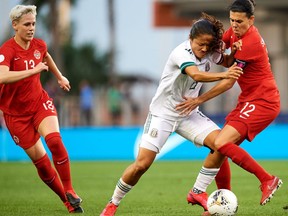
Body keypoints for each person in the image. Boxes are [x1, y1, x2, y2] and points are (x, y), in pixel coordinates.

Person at [99, 12, 243, 216]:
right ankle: (112, 204)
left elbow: (227, 61)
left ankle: (197, 191)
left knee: (221, 144)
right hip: (163, 115)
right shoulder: (181, 53)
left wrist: (234, 53)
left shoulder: (209, 49)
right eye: (200, 44)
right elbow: (196, 74)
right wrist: (224, 75)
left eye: (207, 46)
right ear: (190, 39)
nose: (203, 49)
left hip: (188, 112)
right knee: (142, 165)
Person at [176, 0, 283, 214]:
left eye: (240, 21)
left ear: (251, 20)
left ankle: (267, 179)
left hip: (263, 102)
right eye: (232, 20)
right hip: (248, 100)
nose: (234, 25)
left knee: (222, 142)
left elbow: (228, 81)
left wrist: (198, 100)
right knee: (218, 146)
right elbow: (221, 55)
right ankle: (223, 205)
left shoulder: (251, 41)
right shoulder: (234, 35)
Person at [0, 5, 83, 213]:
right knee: (43, 164)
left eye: (34, 24)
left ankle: (70, 190)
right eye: (26, 24)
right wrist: (32, 71)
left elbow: (45, 56)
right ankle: (66, 201)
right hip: (15, 115)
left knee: (54, 140)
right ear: (15, 26)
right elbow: (2, 76)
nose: (31, 28)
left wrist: (60, 76)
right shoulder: (7, 50)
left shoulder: (39, 45)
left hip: (39, 103)